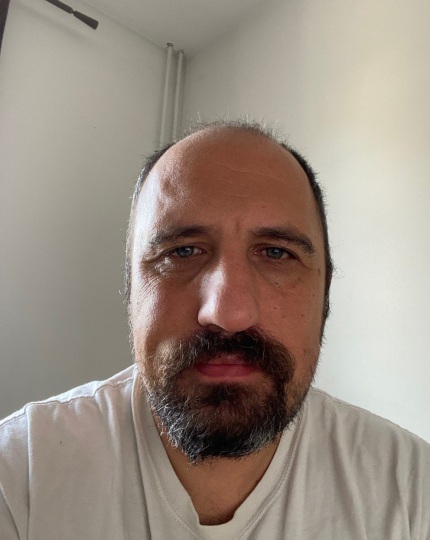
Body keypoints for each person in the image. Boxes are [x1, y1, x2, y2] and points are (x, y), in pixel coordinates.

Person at [0, 120, 429, 539]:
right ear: (131, 290)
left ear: (325, 292)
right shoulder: (20, 475)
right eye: (183, 251)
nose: (229, 313)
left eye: (276, 253)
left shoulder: (411, 490)